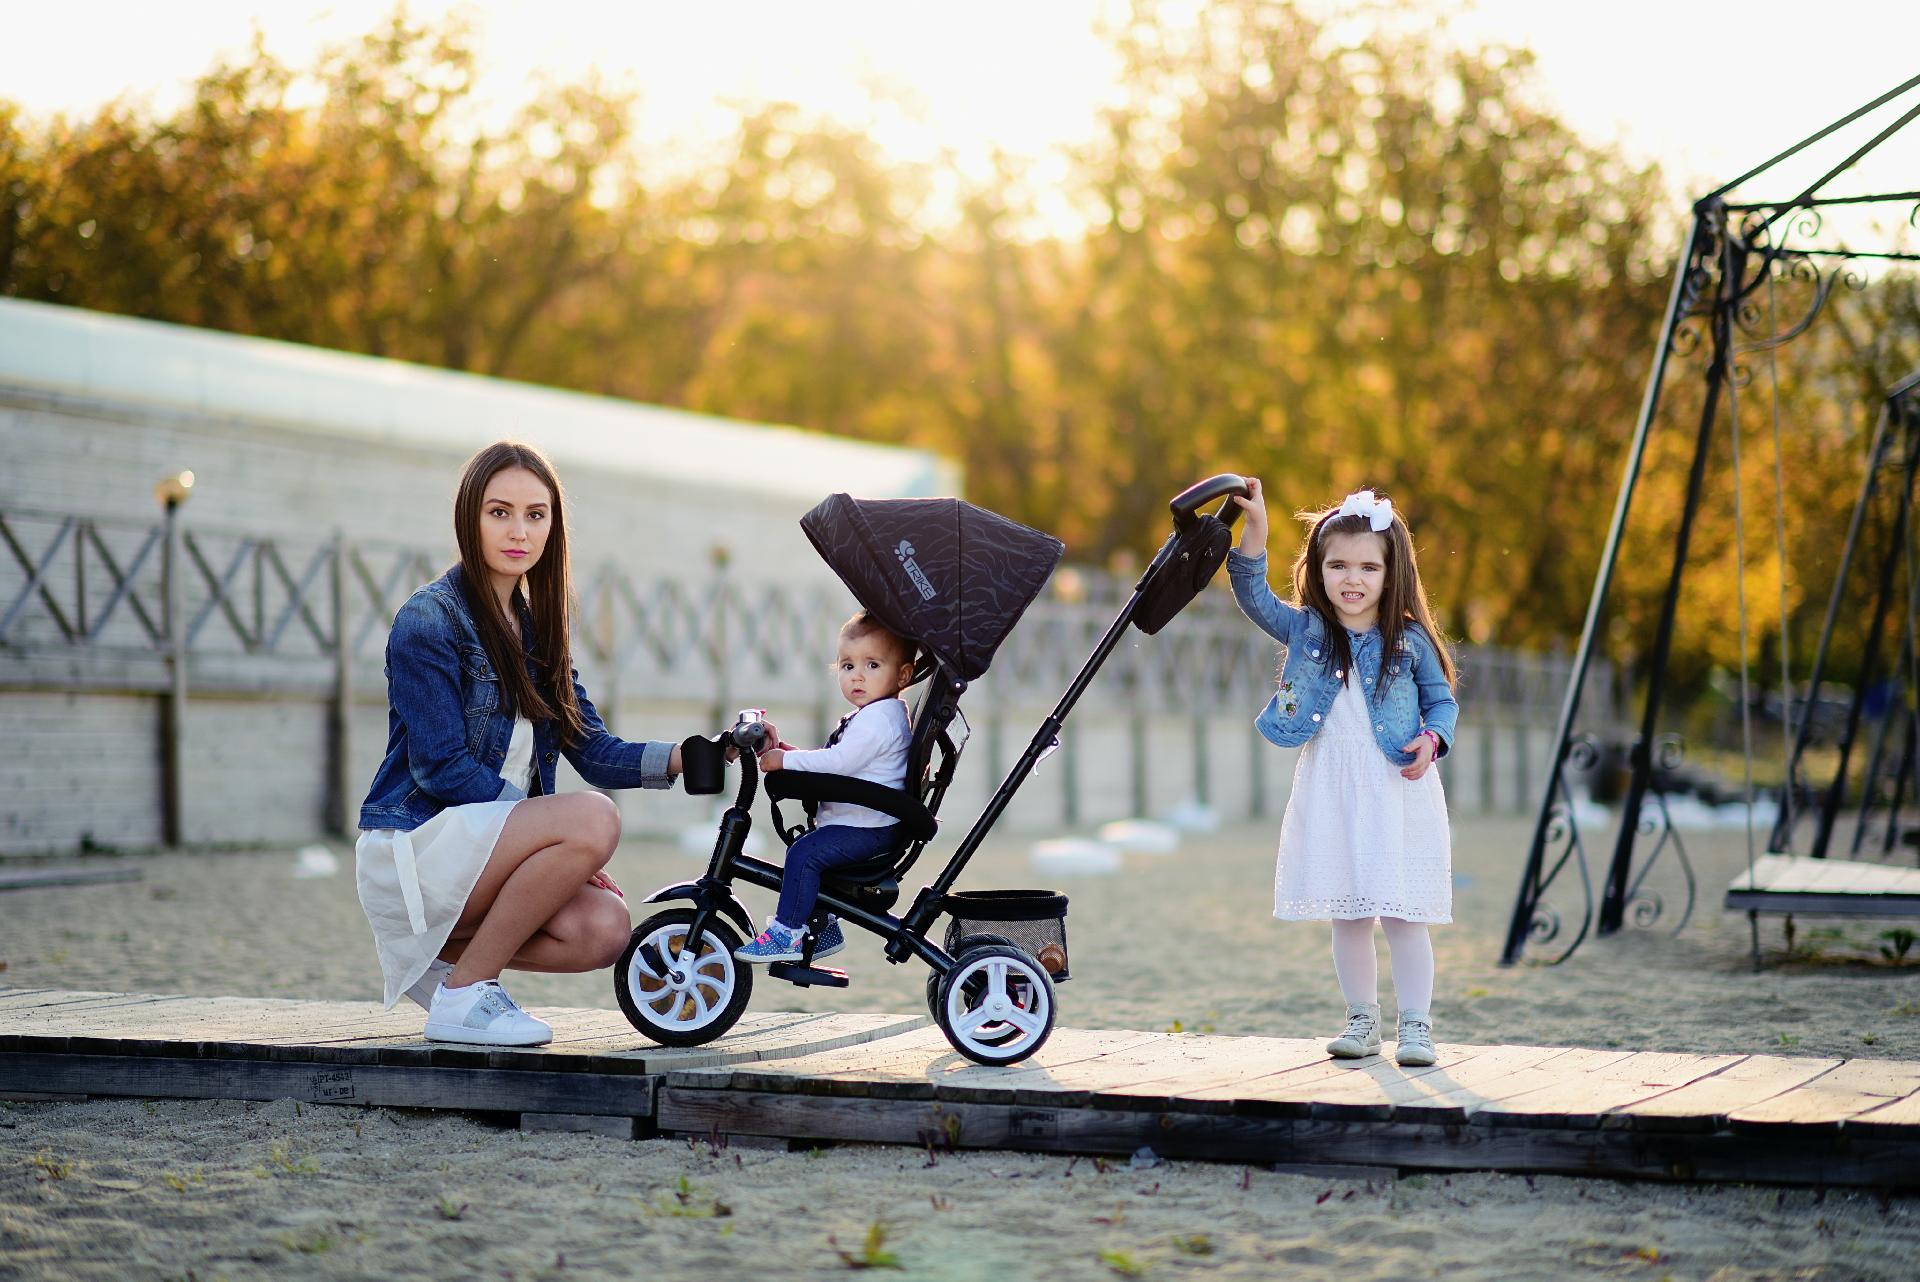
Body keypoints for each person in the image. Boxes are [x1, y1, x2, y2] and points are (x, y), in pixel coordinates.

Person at [356, 440, 712, 1048]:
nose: (519, 530)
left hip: (483, 851)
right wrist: (550, 829)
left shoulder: (537, 629)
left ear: (553, 526)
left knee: (605, 928)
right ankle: (468, 995)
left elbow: (593, 749)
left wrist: (696, 755)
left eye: (535, 514)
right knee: (594, 817)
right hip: (417, 848)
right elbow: (442, 767)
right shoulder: (428, 620)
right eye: (500, 512)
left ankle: (454, 976)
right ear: (470, 518)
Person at [1227, 480, 1459, 1067]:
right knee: (1350, 913)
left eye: (1367, 567)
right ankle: (1361, 1020)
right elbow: (1254, 596)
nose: (1350, 579)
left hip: (1396, 789)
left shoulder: (1407, 641)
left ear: (1391, 573)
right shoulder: (1309, 629)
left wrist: (1433, 740)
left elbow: (1443, 703)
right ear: (1318, 568)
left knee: (1404, 915)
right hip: (1334, 786)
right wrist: (1256, 534)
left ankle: (1416, 1027)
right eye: (1337, 565)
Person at [736, 611, 916, 963]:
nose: (857, 676)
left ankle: (787, 933)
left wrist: (785, 762)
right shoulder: (877, 714)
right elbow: (838, 760)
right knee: (808, 848)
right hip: (868, 823)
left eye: (873, 665)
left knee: (805, 855)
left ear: (903, 674)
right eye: (847, 666)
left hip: (869, 829)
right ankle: (824, 929)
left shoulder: (879, 719)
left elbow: (839, 764)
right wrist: (789, 752)